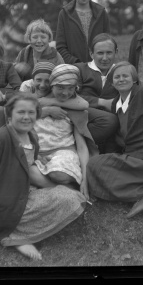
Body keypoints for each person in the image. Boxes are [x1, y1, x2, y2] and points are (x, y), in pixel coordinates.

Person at [0, 93, 87, 261]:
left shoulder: (32, 136)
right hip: (5, 199)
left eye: (31, 113)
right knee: (64, 197)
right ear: (9, 114)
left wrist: (41, 160)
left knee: (70, 197)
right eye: (21, 112)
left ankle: (21, 226)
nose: (26, 117)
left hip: (24, 191)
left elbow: (28, 160)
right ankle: (12, 236)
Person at [87, 62, 143, 219]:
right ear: (112, 83)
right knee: (95, 165)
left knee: (98, 168)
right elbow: (116, 135)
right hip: (132, 158)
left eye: (125, 76)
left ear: (134, 79)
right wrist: (111, 159)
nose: (121, 79)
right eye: (117, 77)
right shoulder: (115, 103)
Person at [27, 64, 93, 198]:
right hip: (37, 155)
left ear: (76, 88)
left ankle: (51, 183)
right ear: (52, 85)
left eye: (70, 88)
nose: (65, 93)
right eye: (60, 87)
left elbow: (81, 147)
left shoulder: (75, 109)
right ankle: (66, 189)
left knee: (58, 173)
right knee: (25, 169)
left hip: (63, 154)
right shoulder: (35, 103)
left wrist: (86, 179)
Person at [0, 62, 90, 134]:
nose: (43, 85)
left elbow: (84, 104)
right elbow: (19, 108)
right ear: (32, 79)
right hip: (25, 122)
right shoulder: (27, 86)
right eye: (38, 80)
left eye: (47, 81)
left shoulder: (58, 90)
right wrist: (48, 110)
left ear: (53, 82)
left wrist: (49, 101)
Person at [75, 33, 120, 153]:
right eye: (100, 53)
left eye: (109, 53)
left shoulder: (121, 72)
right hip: (81, 120)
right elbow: (69, 95)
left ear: (116, 52)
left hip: (110, 130)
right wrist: (102, 102)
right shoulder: (79, 69)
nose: (105, 58)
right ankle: (77, 145)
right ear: (91, 54)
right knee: (110, 121)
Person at [56, 0, 110, 64]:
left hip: (98, 66)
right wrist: (75, 63)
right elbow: (60, 47)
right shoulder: (64, 14)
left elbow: (107, 43)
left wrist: (98, 63)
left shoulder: (101, 13)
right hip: (73, 67)